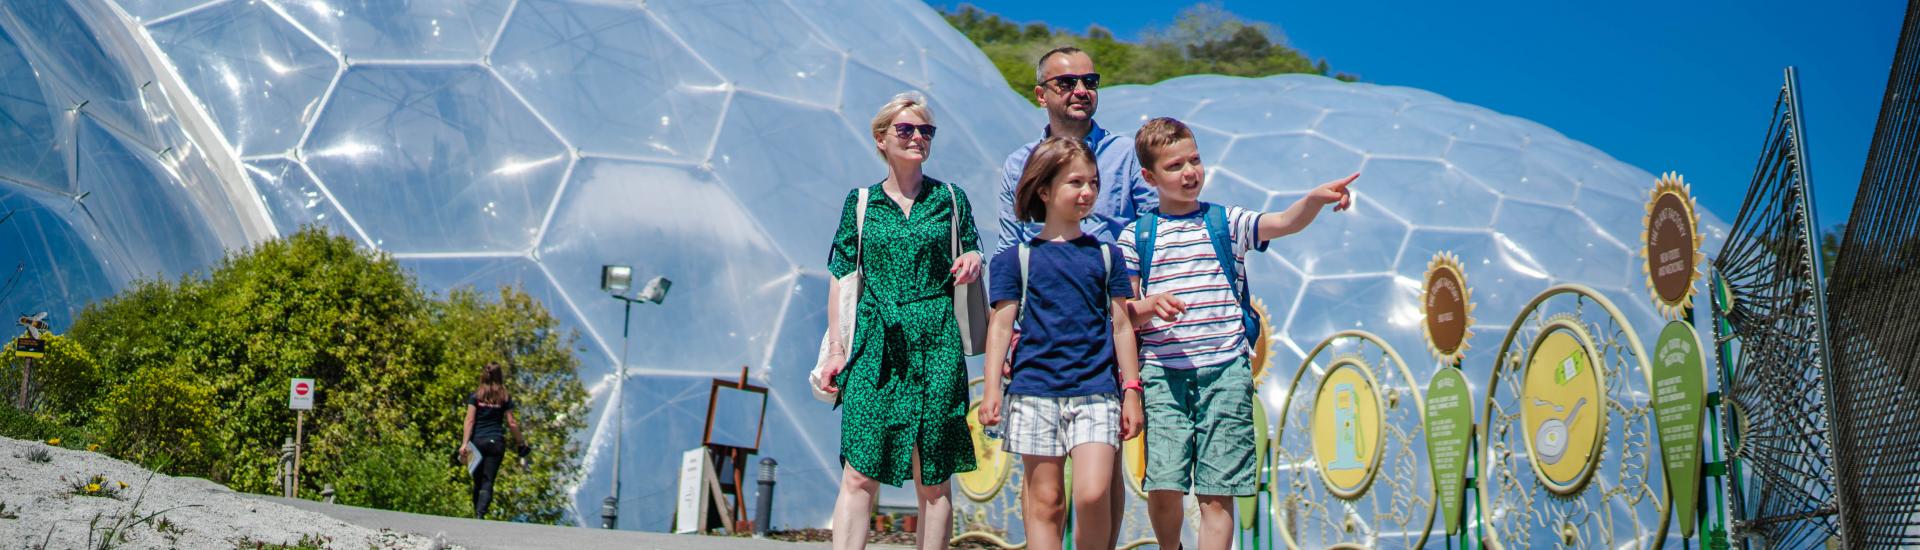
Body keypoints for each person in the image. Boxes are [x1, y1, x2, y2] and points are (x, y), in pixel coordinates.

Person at [1120, 117, 1355, 550]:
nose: (1189, 172)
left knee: (1217, 490)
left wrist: (1314, 200)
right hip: (1163, 374)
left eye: (1194, 160)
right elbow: (1123, 314)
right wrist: (1150, 308)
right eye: (1174, 166)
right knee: (1164, 482)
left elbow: (1282, 222)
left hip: (1225, 370)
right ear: (1150, 177)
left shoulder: (1225, 222)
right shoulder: (1136, 236)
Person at [996, 45, 1157, 545]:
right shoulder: (1020, 163)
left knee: (1100, 471)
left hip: (1118, 316)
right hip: (1045, 331)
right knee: (1044, 484)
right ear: (1041, 94)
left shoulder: (1126, 152)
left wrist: (1143, 301)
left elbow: (1155, 227)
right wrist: (1012, 336)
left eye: (1091, 80)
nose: (1082, 91)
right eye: (1067, 83)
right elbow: (1011, 245)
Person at [817, 91, 985, 550]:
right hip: (876, 346)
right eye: (906, 130)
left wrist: (972, 258)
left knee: (933, 477)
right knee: (859, 472)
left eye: (926, 131)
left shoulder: (951, 199)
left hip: (936, 342)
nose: (917, 138)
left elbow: (972, 247)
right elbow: (842, 276)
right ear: (881, 138)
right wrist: (836, 351)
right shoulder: (861, 203)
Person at [979, 136, 1145, 550]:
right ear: (1045, 190)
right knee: (1047, 500)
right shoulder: (1015, 258)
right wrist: (992, 389)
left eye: (1092, 182)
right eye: (1075, 182)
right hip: (1034, 392)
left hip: (1096, 391)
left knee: (1093, 493)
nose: (1087, 192)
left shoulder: (1107, 256)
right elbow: (1000, 328)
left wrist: (1131, 391)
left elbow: (1122, 326)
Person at [459, 362, 526, 519]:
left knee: (477, 480)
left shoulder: (475, 397)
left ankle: (477, 513)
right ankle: (480, 515)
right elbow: (511, 423)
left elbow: (469, 420)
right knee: (488, 480)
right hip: (496, 443)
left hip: (476, 443)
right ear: (500, 376)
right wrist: (521, 442)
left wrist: (464, 443)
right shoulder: (504, 398)